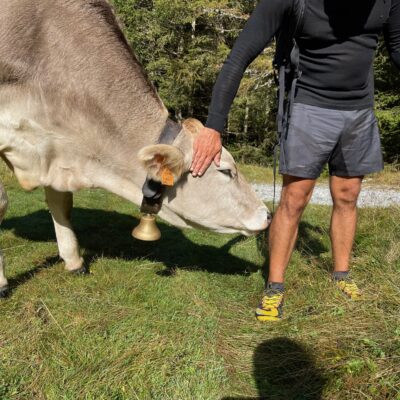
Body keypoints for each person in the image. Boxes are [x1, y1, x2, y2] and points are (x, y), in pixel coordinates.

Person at [190, 0, 400, 321]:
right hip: (309, 107)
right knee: (295, 198)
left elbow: (397, 48)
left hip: (359, 109)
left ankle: (342, 275)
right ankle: (275, 286)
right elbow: (238, 58)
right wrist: (214, 127)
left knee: (348, 195)